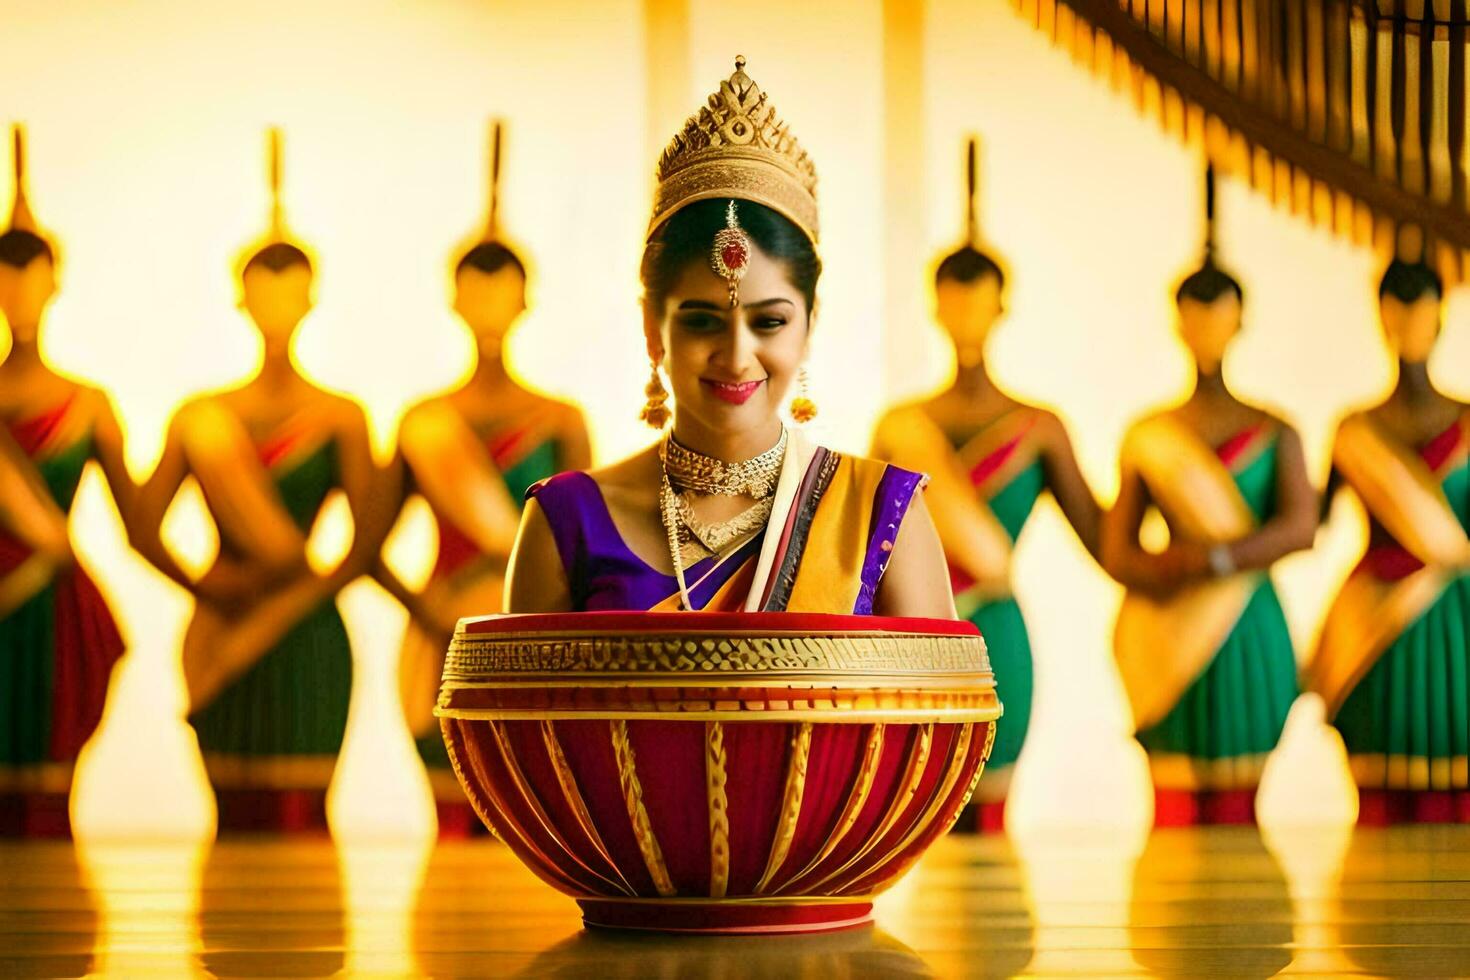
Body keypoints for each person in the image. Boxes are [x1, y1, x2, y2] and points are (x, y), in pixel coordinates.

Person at [505, 57, 954, 621]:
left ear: (810, 324)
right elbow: (508, 712)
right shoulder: (566, 519)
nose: (738, 356)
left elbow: (946, 710)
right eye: (701, 320)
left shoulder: (877, 512)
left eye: (769, 322)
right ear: (653, 327)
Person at [130, 131, 387, 833]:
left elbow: (366, 545)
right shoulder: (201, 418)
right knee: (230, 819)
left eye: (290, 293)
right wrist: (205, 588)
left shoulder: (341, 417)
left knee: (306, 817)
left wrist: (295, 600)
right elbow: (140, 526)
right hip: (220, 632)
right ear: (240, 300)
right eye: (262, 294)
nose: (276, 308)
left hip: (310, 640)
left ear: (310, 300)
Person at [872, 138, 1102, 830]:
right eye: (954, 299)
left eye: (980, 300)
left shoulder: (1038, 426)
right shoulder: (900, 428)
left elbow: (1106, 541)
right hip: (921, 635)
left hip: (995, 633)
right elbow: (864, 553)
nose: (968, 313)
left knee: (991, 820)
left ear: (1002, 307)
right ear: (936, 307)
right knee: (919, 816)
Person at [376, 123, 589, 836]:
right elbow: (367, 548)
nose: (490, 305)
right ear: (455, 299)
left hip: (533, 642)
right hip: (444, 642)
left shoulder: (560, 419)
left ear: (525, 301)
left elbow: (587, 546)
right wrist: (426, 608)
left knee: (532, 818)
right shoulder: (425, 422)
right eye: (477, 290)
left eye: (503, 291)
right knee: (451, 814)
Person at [1102, 169, 1316, 826]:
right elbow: (1120, 551)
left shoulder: (1276, 428)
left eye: (1218, 316)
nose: (1207, 329)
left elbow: (1300, 526)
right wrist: (1167, 570)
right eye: (1196, 316)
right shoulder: (1150, 435)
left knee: (1243, 793)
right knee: (1171, 801)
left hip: (1247, 621)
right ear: (1179, 323)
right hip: (1168, 623)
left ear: (1239, 321)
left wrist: (1220, 560)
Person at [0, 125, 133, 837]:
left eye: (31, 270)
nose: (18, 286)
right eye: (5, 269)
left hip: (52, 617)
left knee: (48, 801)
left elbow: (140, 525)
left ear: (56, 280)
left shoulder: (86, 405)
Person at [1308, 258, 1470, 824]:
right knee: (1378, 793)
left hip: (1458, 619)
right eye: (1398, 314)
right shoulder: (1355, 428)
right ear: (1381, 320)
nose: (1409, 327)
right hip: (1375, 620)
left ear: (1441, 321)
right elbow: (1313, 524)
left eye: (1422, 314)